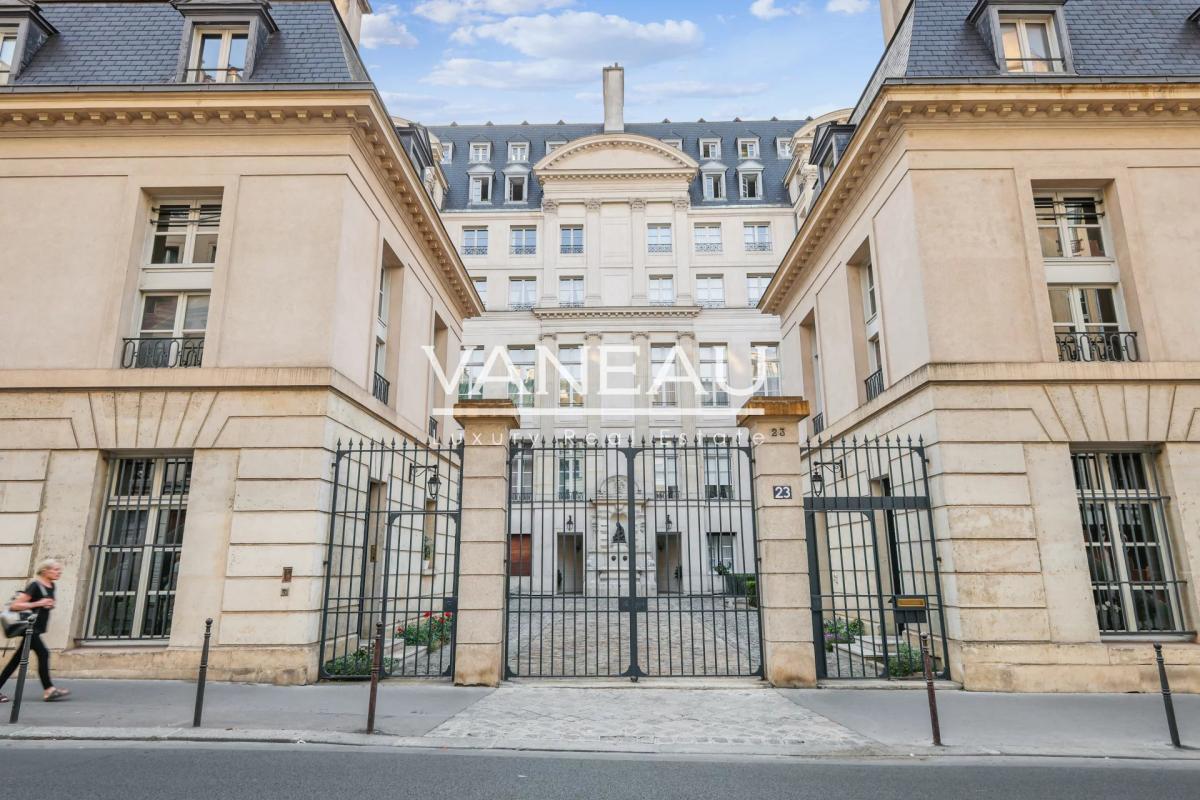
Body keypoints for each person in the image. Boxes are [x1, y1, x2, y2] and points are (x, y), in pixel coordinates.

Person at [0, 559, 70, 703]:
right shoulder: (35, 585)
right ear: (45, 571)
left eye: (59, 570)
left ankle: (49, 689)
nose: (59, 572)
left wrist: (48, 605)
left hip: (36, 628)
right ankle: (49, 689)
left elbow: (44, 604)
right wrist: (39, 603)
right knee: (43, 654)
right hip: (29, 629)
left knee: (16, 660)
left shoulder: (51, 586)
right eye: (56, 569)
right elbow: (15, 606)